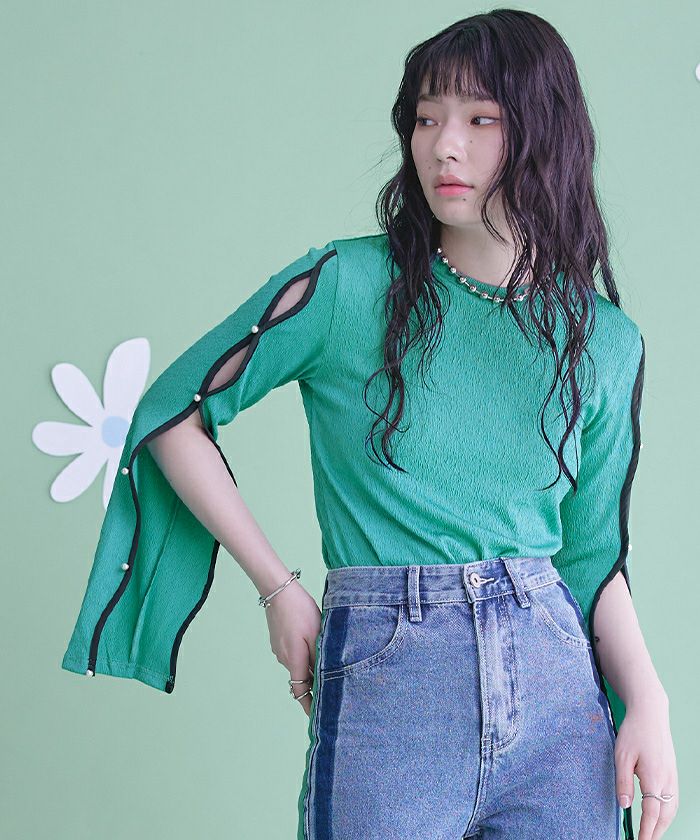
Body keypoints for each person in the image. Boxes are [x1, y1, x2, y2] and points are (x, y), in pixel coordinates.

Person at [61, 8, 678, 840]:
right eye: (425, 118)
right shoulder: (347, 287)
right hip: (392, 685)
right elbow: (174, 412)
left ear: (547, 133)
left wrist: (647, 701)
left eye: (480, 119)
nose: (443, 146)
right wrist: (278, 588)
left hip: (558, 702)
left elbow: (593, 557)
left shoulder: (604, 341)